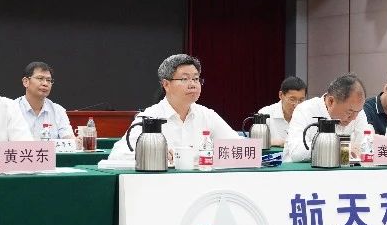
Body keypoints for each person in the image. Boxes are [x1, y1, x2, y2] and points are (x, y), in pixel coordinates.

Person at [107, 54, 237, 165]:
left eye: (196, 79)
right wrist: (154, 154)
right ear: (166, 84)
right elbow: (117, 156)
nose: (193, 84)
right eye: (185, 79)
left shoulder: (207, 115)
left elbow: (238, 149)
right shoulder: (150, 117)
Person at [283, 73, 370, 163]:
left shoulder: (357, 111)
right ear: (331, 101)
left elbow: (364, 146)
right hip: (300, 170)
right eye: (349, 112)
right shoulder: (305, 110)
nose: (354, 118)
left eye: (358, 112)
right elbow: (297, 152)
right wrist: (338, 147)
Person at [16, 61, 76, 143]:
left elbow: (69, 140)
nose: (45, 83)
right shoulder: (12, 109)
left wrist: (76, 142)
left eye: (48, 80)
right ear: (26, 82)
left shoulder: (58, 111)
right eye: (40, 78)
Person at [254, 76, 307, 147]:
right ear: (281, 95)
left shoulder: (308, 115)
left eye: (301, 100)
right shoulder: (265, 113)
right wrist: (272, 142)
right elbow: (254, 144)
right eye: (292, 99)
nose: (296, 105)